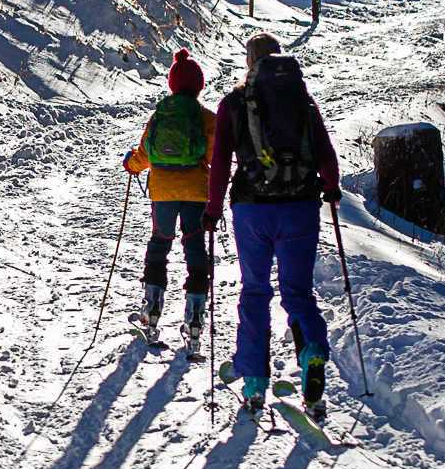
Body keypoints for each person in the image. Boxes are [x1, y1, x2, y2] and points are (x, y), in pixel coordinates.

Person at [203, 32, 340, 420]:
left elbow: (221, 162)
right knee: (298, 292)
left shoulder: (234, 103)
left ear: (250, 62)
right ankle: (312, 350)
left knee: (255, 292)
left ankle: (254, 381)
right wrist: (330, 188)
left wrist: (212, 209)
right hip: (300, 207)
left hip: (253, 210)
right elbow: (325, 151)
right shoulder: (303, 100)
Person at [122, 49, 216, 350]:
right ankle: (196, 316)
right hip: (197, 192)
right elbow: (215, 156)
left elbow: (145, 155)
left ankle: (151, 311)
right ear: (199, 85)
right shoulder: (206, 117)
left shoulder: (161, 112)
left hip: (163, 192)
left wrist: (130, 164)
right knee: (195, 249)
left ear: (172, 83)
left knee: (160, 243)